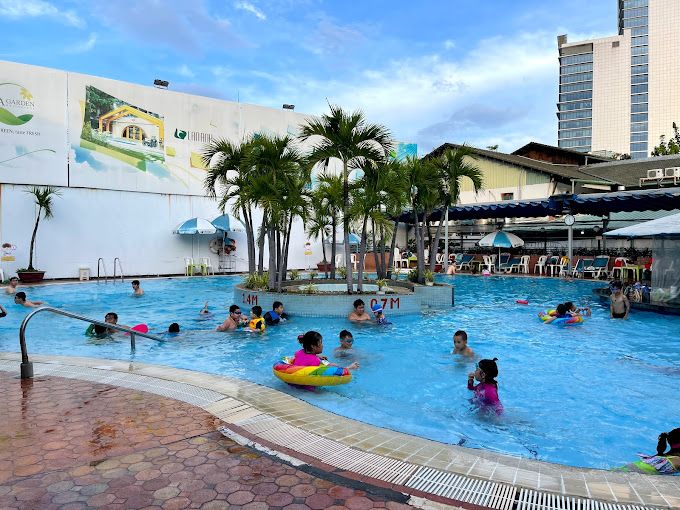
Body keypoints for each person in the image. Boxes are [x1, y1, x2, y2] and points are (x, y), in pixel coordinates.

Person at [294, 331, 359, 370]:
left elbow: (306, 356)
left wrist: (317, 355)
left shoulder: (299, 352)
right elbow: (335, 372)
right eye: (320, 343)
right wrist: (350, 367)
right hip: (310, 389)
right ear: (313, 346)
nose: (322, 345)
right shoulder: (315, 361)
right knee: (334, 365)